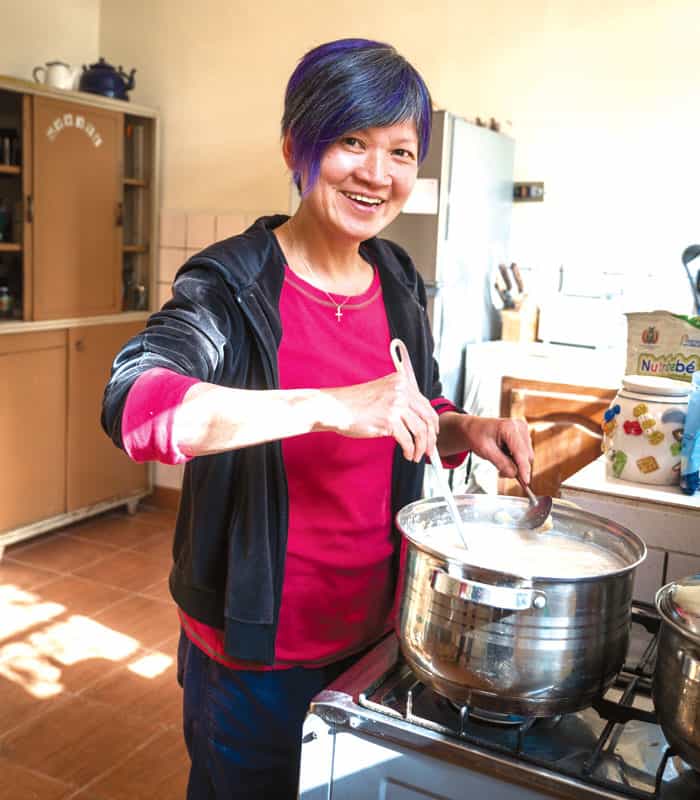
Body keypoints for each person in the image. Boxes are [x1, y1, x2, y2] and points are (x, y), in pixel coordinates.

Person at [101, 37, 533, 800]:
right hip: (255, 657)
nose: (377, 173)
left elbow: (414, 399)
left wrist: (463, 427)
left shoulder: (396, 276)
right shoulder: (232, 285)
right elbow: (137, 409)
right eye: (351, 141)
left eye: (401, 151)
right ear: (296, 146)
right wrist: (330, 407)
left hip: (379, 632)